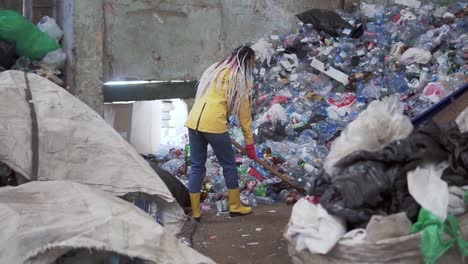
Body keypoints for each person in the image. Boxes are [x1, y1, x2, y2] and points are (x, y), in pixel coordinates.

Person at [185, 46, 257, 221]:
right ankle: (235, 206)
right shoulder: (238, 79)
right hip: (214, 123)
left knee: (196, 166)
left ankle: (195, 212)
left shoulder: (213, 70)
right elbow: (244, 115)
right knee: (229, 165)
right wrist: (249, 143)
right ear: (246, 62)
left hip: (193, 121)